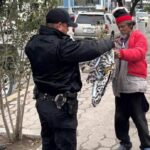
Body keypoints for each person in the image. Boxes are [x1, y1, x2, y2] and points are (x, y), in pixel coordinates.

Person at [25, 8, 114, 150]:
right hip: (60, 107)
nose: (68, 31)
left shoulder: (32, 43)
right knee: (65, 145)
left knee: (48, 142)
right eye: (67, 27)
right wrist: (110, 43)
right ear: (60, 25)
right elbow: (89, 49)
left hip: (42, 103)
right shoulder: (62, 46)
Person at [112, 7, 150, 150]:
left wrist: (121, 54)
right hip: (120, 86)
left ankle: (146, 145)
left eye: (123, 26)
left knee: (139, 119)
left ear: (130, 25)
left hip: (134, 85)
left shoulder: (138, 36)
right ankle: (125, 143)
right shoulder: (118, 39)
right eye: (119, 26)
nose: (121, 29)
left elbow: (139, 53)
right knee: (120, 119)